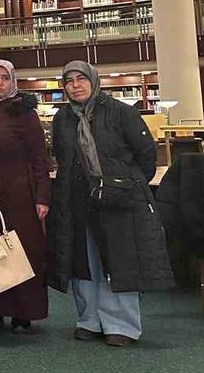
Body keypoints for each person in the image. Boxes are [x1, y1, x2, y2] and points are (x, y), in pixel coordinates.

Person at [47, 61, 173, 347]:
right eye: (69, 81)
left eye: (81, 79)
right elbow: (61, 156)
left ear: (93, 81)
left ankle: (121, 325)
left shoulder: (121, 112)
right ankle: (89, 320)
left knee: (118, 259)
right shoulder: (63, 118)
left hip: (118, 198)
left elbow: (146, 156)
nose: (75, 85)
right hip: (76, 198)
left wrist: (125, 182)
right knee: (84, 260)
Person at [0, 60, 50, 331]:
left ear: (12, 81)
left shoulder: (23, 111)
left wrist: (42, 196)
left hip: (21, 194)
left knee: (23, 251)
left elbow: (40, 157)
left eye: (4, 78)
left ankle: (23, 312)